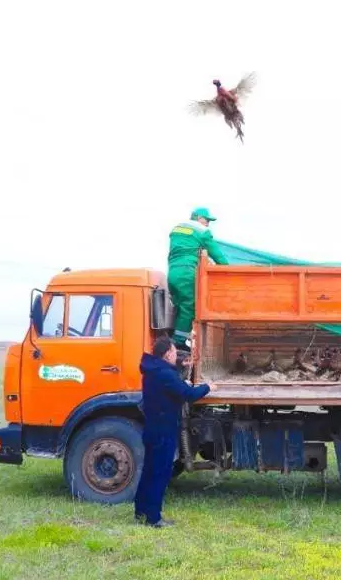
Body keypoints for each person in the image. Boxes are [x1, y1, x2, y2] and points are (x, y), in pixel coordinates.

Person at [133, 336, 218, 527]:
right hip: (163, 431)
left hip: (153, 429)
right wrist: (208, 387)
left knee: (149, 471)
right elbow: (188, 395)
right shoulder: (164, 374)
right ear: (167, 354)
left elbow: (172, 385)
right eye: (173, 352)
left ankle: (140, 511)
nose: (175, 355)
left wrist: (182, 370)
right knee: (160, 474)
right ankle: (154, 518)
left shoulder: (153, 370)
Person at [167, 207, 229, 351]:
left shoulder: (176, 229)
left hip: (172, 273)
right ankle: (178, 343)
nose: (208, 223)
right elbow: (217, 255)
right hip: (187, 272)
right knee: (190, 306)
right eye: (207, 220)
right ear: (199, 218)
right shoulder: (202, 231)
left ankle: (173, 337)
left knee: (179, 307)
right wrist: (227, 269)